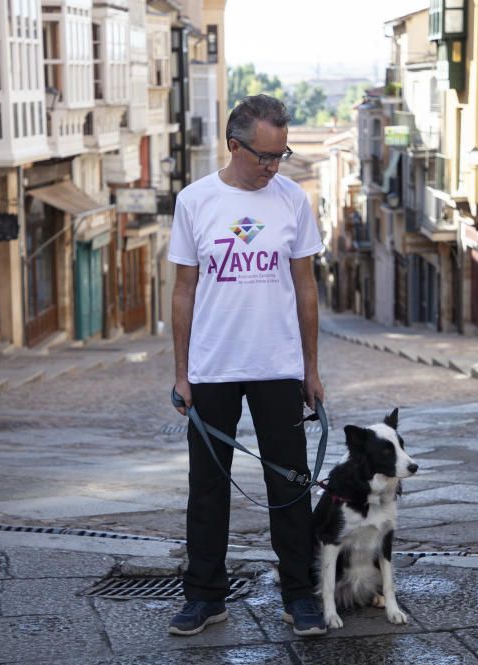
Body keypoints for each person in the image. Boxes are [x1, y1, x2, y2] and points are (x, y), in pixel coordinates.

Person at [167, 94, 327, 637]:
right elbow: (184, 290)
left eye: (281, 155)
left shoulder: (292, 200)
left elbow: (305, 286)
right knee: (206, 489)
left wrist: (310, 368)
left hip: (277, 365)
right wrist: (181, 373)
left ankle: (299, 595)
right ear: (233, 146)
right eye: (264, 156)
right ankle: (205, 597)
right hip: (213, 367)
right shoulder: (195, 201)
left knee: (291, 485)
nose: (274, 167)